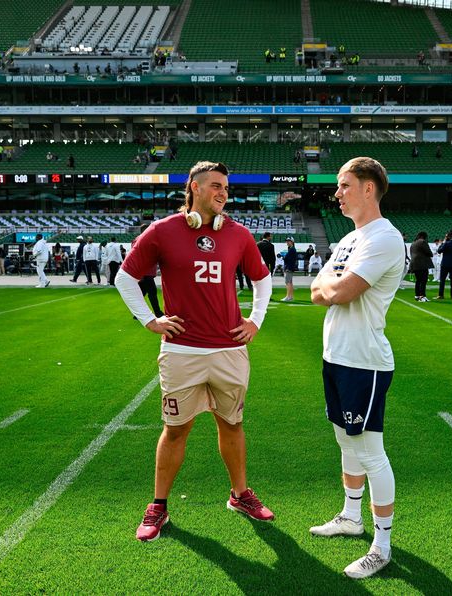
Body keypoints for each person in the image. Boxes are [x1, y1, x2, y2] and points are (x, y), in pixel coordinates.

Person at [114, 161, 274, 542]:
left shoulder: (238, 233)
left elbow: (262, 280)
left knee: (232, 424)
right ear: (194, 187)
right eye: (216, 186)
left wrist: (255, 320)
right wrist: (149, 320)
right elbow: (125, 277)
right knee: (175, 430)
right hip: (182, 350)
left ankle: (239, 495)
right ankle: (159, 506)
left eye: (226, 188)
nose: (223, 193)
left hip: (229, 350)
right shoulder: (163, 230)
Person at [309, 157, 403, 579]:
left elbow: (342, 290)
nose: (337, 193)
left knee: (369, 451)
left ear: (369, 188)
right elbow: (316, 290)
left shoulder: (384, 237)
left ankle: (381, 544)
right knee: (345, 444)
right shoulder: (351, 239)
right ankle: (351, 516)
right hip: (336, 355)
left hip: (364, 362)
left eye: (344, 185)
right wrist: (330, 289)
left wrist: (332, 288)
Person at [436, 233, 452, 299]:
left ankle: (441, 295)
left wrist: (443, 243)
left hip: (445, 264)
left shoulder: (446, 243)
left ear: (448, 237)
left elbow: (439, 251)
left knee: (442, 280)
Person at [408, 231, 433, 302]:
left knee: (418, 280)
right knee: (423, 280)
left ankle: (417, 295)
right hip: (422, 264)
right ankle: (422, 296)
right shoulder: (422, 242)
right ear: (424, 236)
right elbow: (429, 252)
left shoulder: (413, 243)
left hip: (414, 264)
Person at [282, 237, 298, 301]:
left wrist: (284, 257)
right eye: (287, 241)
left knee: (288, 282)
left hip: (289, 268)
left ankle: (288, 296)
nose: (287, 242)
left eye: (289, 241)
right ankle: (290, 296)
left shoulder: (292, 249)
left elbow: (289, 259)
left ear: (292, 242)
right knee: (290, 282)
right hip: (289, 267)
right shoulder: (291, 249)